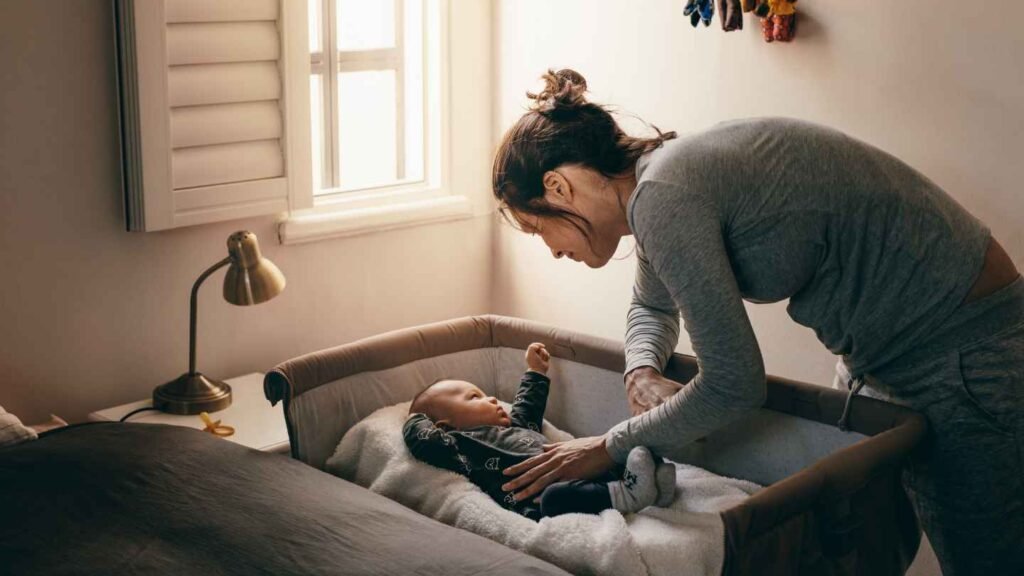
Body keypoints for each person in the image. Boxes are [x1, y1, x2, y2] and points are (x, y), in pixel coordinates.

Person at [493, 69, 1023, 575]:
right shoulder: (657, 185)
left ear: (559, 188)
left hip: (960, 347)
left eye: (538, 230)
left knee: (986, 562)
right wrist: (640, 370)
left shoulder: (663, 196)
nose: (553, 252)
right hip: (888, 351)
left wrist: (606, 444)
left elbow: (733, 384)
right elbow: (651, 308)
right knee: (863, 544)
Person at [403, 342, 676, 520]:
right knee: (555, 498)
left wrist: (535, 370)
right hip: (541, 498)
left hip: (580, 467)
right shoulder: (458, 445)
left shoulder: (516, 426)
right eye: (475, 398)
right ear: (444, 426)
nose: (492, 399)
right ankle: (628, 494)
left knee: (616, 449)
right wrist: (415, 416)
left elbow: (528, 408)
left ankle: (649, 486)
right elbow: (422, 440)